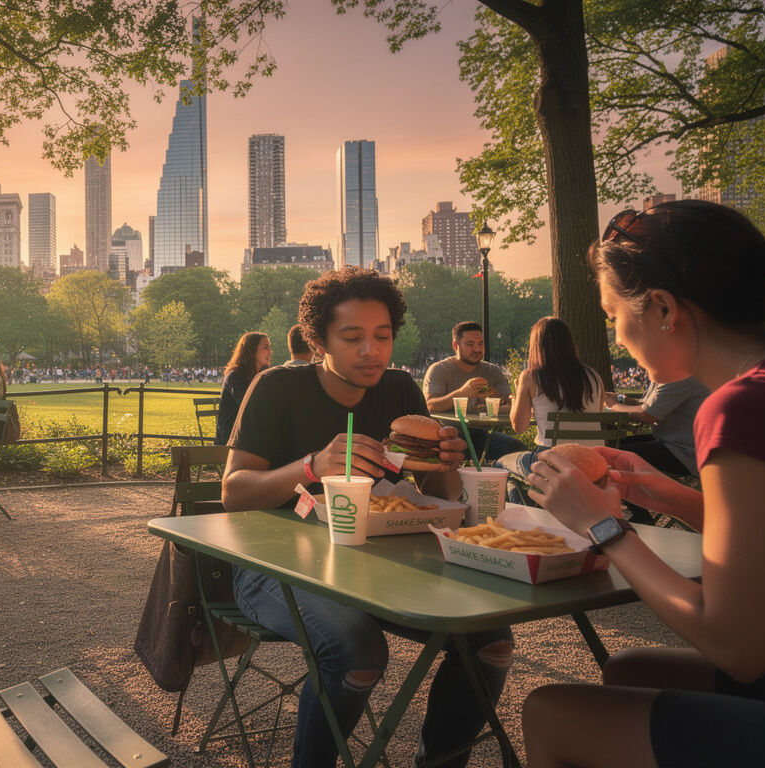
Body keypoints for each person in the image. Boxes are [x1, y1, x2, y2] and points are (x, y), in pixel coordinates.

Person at [520, 200, 765, 767]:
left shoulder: (744, 407)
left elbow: (738, 646)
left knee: (550, 711)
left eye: (612, 314)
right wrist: (667, 494)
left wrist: (604, 527)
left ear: (664, 308)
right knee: (629, 670)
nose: (616, 336)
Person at [222, 267, 512, 768]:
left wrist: (448, 464)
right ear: (318, 341)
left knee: (491, 640)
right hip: (269, 564)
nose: (371, 351)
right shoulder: (276, 388)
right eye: (352, 337)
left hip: (372, 560)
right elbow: (233, 492)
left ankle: (440, 760)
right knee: (358, 650)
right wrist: (311, 465)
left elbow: (433, 497)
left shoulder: (400, 391)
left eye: (382, 336)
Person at [496, 317, 605, 485]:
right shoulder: (594, 376)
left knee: (499, 466)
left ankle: (530, 510)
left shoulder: (531, 376)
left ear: (537, 346)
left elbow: (519, 427)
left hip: (552, 461)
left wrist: (517, 395)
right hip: (593, 461)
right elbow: (592, 417)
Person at [424, 322, 523, 461]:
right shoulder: (439, 370)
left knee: (517, 448)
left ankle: (500, 480)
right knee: (451, 452)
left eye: (480, 344)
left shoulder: (492, 371)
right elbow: (430, 405)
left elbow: (511, 403)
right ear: (455, 346)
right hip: (448, 433)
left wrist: (493, 394)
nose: (477, 349)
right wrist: (462, 392)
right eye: (470, 344)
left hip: (481, 433)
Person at [605, 376, 709, 476]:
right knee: (612, 446)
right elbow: (645, 406)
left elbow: (646, 415)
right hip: (672, 442)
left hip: (685, 453)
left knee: (612, 455)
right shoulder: (667, 374)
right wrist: (619, 399)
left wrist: (613, 405)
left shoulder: (677, 377)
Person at [215, 331, 271, 445]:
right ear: (252, 351)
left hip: (248, 436)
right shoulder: (235, 375)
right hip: (232, 440)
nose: (270, 352)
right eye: (266, 348)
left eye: (270, 347)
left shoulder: (261, 375)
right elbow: (250, 406)